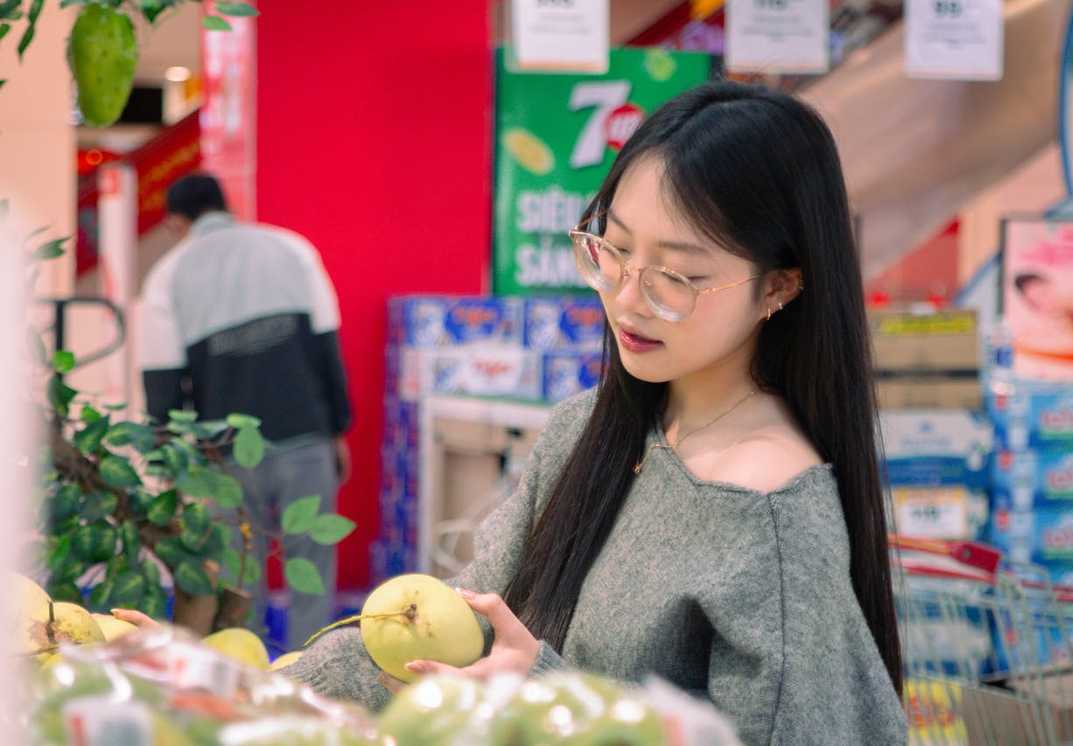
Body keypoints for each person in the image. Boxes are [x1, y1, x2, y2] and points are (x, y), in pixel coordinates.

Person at [143, 84, 906, 743]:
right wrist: (232, 684)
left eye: (676, 274)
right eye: (611, 249)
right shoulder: (588, 431)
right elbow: (457, 631)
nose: (626, 298)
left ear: (778, 286)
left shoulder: (771, 521)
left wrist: (548, 692)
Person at [138, 173, 353, 648]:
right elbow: (327, 349)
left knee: (239, 579)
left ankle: (246, 681)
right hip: (306, 437)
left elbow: (163, 386)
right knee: (312, 571)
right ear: (225, 204)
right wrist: (337, 430)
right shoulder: (291, 249)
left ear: (176, 222)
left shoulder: (168, 278)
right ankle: (314, 679)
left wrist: (170, 467)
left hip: (226, 458)